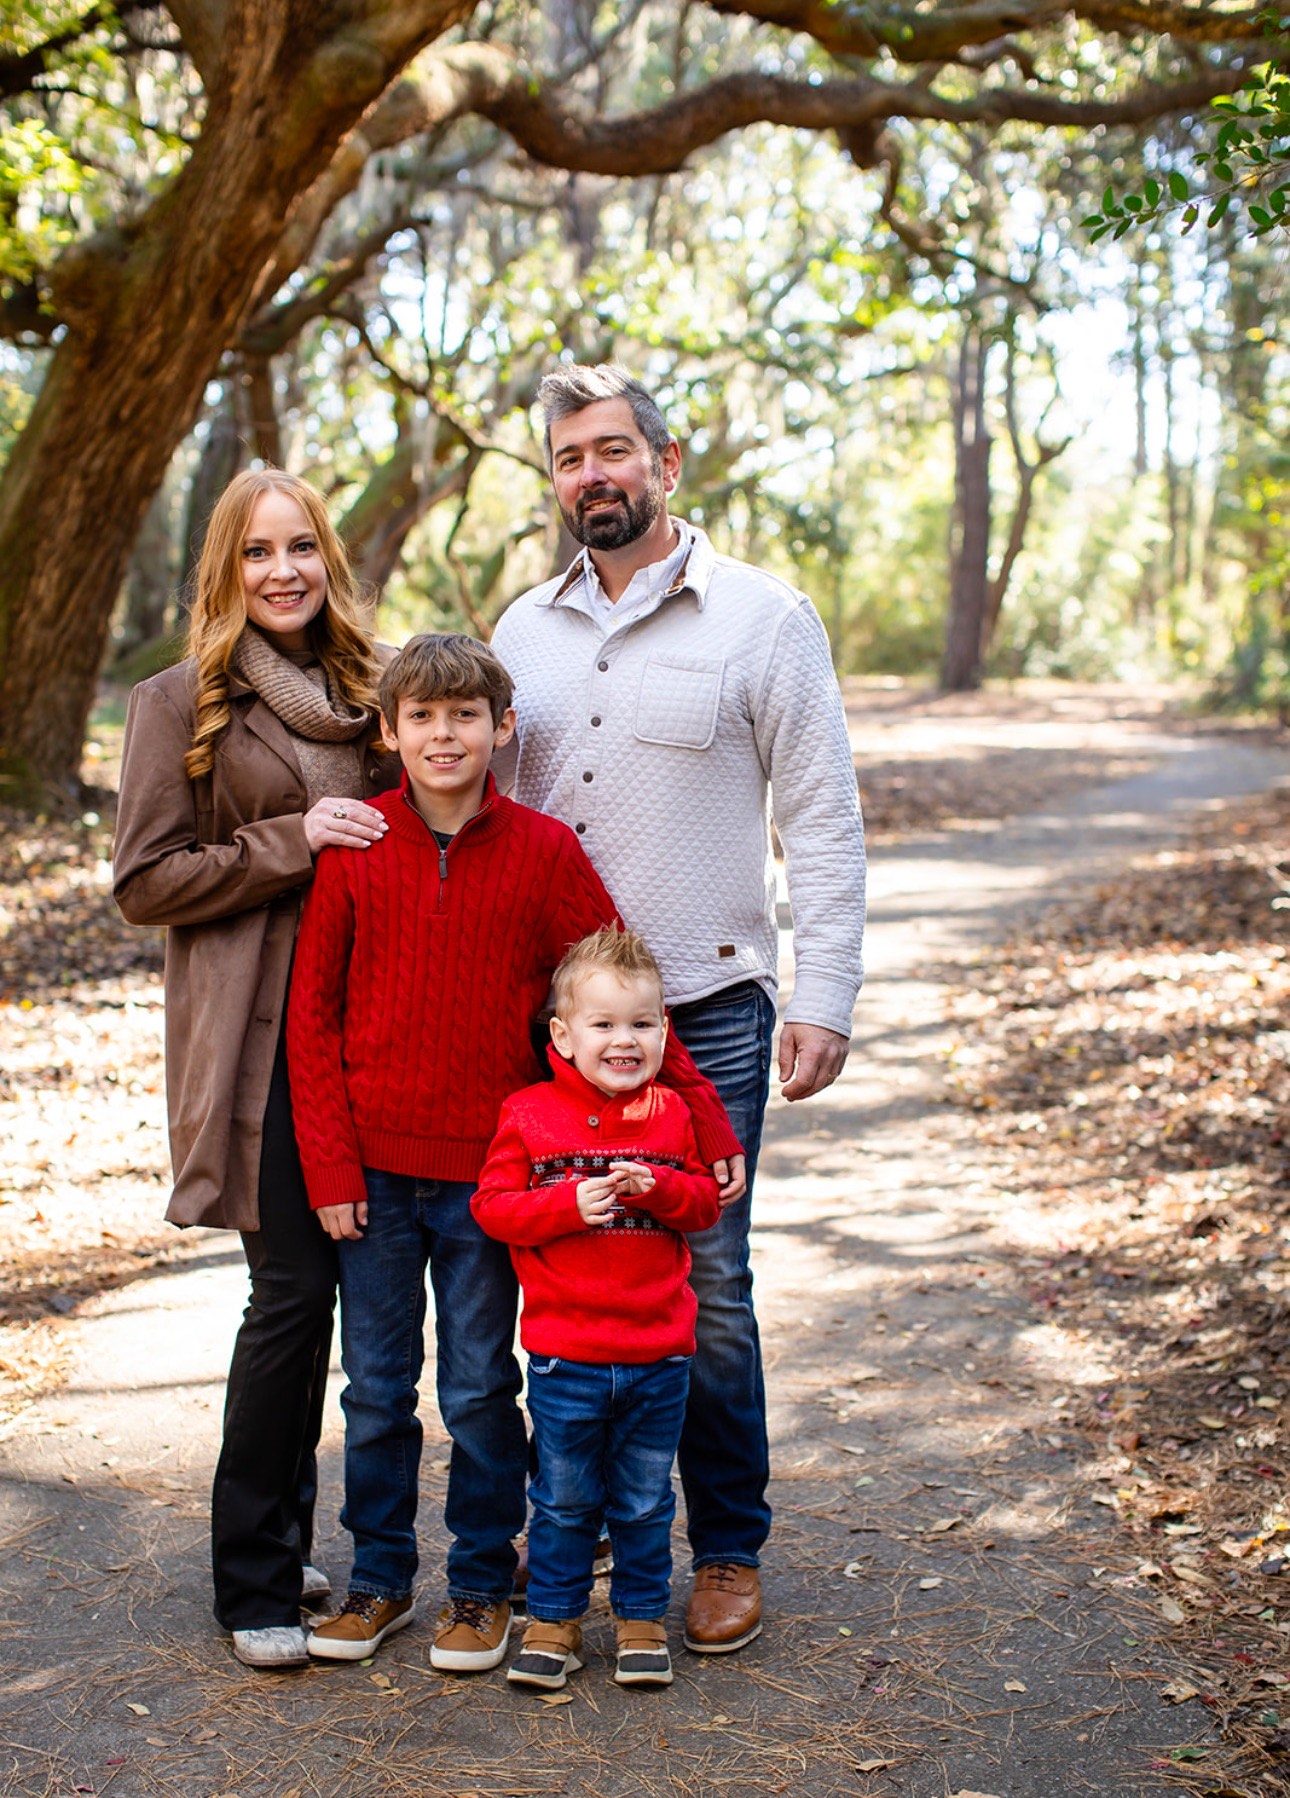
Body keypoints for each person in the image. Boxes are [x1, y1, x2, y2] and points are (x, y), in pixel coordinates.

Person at [491, 363, 867, 1654]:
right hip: (549, 1023)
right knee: (557, 1259)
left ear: (665, 461)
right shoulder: (519, 631)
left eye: (609, 450)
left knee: (705, 1279)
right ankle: (588, 1520)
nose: (588, 474)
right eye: (565, 459)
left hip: (703, 1007)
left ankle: (726, 1546)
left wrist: (823, 991)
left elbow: (819, 815)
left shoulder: (762, 617)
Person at [285, 634, 740, 1672]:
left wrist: (703, 1115)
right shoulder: (357, 850)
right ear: (391, 732)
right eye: (424, 718)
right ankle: (381, 1579)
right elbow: (310, 1019)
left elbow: (629, 989)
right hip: (377, 1175)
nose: (445, 735)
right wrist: (331, 1169)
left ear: (503, 728)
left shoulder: (543, 852)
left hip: (494, 1178)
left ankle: (484, 1586)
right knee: (374, 1384)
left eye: (466, 716)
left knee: (484, 1387)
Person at [113, 468, 395, 1671]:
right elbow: (143, 881)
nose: (283, 570)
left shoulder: (369, 697)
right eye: (257, 552)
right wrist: (293, 840)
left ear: (327, 558)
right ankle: (250, 1581)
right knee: (287, 1289)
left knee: (338, 1296)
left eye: (302, 548)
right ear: (225, 569)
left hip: (369, 1033)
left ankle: (281, 1539)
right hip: (260, 1036)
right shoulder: (179, 700)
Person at [472, 925, 720, 1692]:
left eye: (642, 1024)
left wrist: (667, 1190)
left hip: (659, 1356)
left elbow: (706, 1206)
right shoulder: (528, 1113)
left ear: (664, 1031)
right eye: (604, 1024)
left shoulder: (674, 1117)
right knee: (563, 1499)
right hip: (565, 1356)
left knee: (646, 1500)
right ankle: (554, 1618)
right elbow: (494, 1209)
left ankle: (642, 1617)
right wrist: (565, 1206)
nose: (625, 1040)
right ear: (563, 1034)